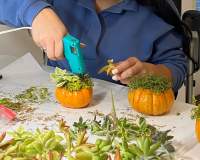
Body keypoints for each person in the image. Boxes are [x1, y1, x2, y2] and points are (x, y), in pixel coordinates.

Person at [0, 0, 191, 93]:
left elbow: (176, 68)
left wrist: (151, 73)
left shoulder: (155, 17)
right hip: (55, 108)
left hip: (123, 122)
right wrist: (36, 12)